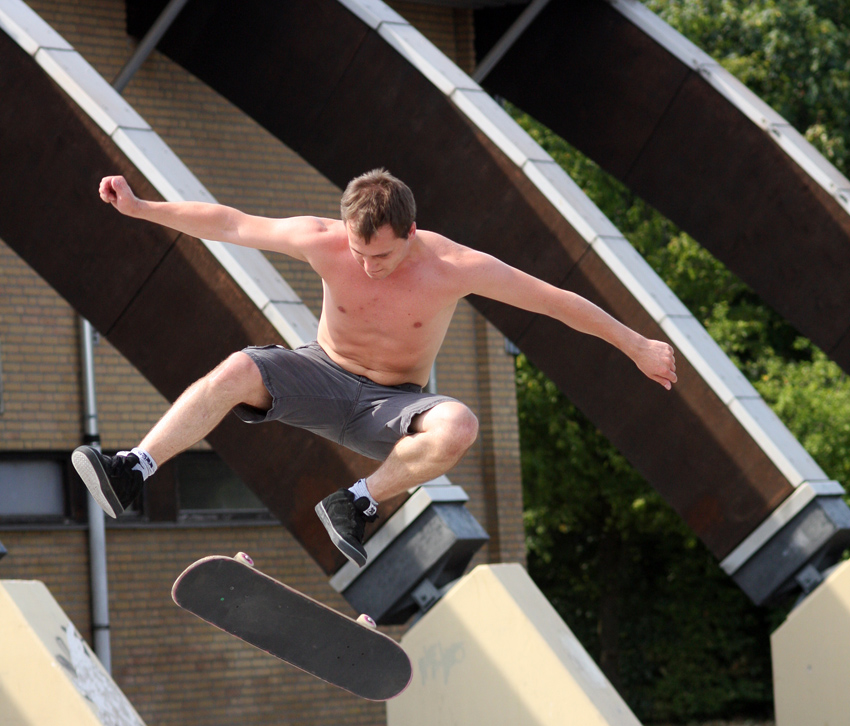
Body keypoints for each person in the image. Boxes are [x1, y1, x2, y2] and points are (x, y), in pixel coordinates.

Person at [73, 168, 677, 567]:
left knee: (458, 426)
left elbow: (555, 302)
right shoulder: (323, 239)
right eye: (359, 253)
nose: (367, 267)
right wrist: (140, 207)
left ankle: (356, 503)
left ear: (411, 232)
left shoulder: (456, 266)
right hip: (322, 374)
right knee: (236, 368)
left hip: (393, 405)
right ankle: (133, 468)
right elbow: (230, 223)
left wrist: (637, 347)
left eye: (382, 255)